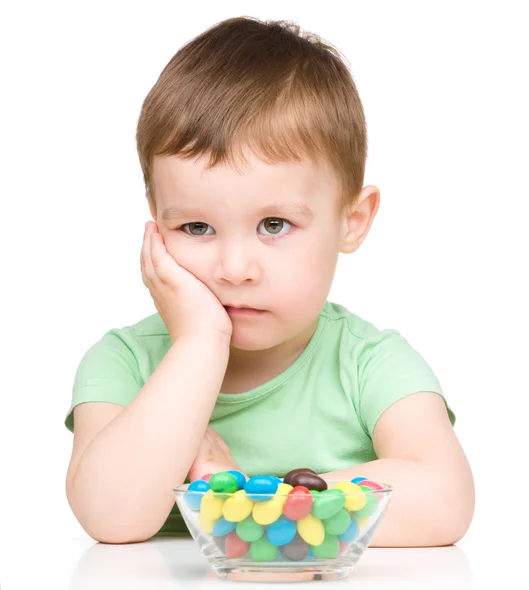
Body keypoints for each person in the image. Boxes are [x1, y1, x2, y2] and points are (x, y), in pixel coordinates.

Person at [64, 16, 474, 547]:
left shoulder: (370, 363)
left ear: (352, 220)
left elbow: (446, 501)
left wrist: (251, 498)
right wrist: (197, 343)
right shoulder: (125, 362)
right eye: (196, 226)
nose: (235, 268)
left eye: (273, 225)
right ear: (156, 221)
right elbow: (111, 518)